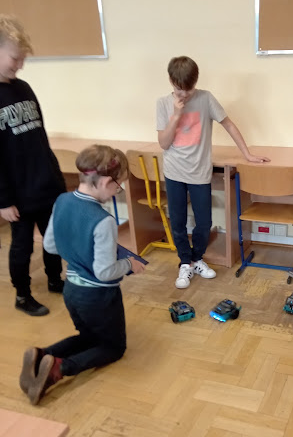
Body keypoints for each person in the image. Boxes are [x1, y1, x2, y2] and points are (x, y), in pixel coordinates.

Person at [19, 145, 145, 406]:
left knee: (88, 337)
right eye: (118, 186)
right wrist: (129, 265)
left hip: (72, 292)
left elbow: (50, 246)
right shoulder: (103, 220)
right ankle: (59, 368)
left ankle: (43, 355)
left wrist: (78, 249)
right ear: (106, 182)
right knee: (113, 348)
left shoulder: (62, 200)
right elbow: (104, 272)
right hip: (98, 297)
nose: (117, 191)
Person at [157, 56, 269, 289]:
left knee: (204, 221)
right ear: (170, 81)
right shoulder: (163, 103)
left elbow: (228, 124)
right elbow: (164, 143)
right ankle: (185, 262)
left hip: (199, 172)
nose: (184, 94)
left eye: (189, 89)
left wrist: (247, 154)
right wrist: (176, 115)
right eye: (179, 89)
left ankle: (197, 258)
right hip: (174, 171)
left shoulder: (206, 98)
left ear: (196, 82)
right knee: (177, 221)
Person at [0, 15, 66, 316]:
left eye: (23, 59)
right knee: (22, 245)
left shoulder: (24, 88)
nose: (20, 65)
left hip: (45, 184)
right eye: (15, 58)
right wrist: (3, 201)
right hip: (17, 195)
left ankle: (55, 279)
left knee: (53, 239)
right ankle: (23, 295)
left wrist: (56, 178)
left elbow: (40, 138)